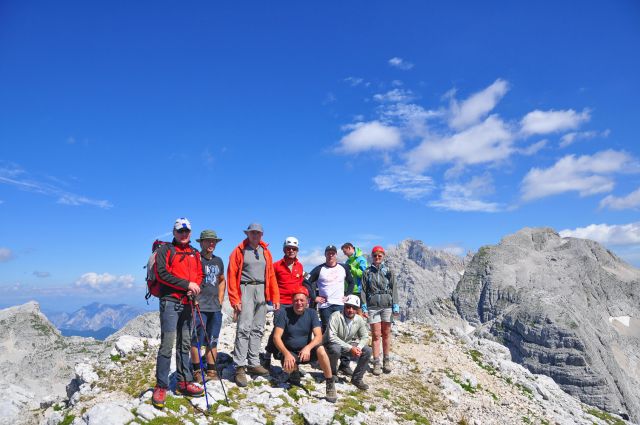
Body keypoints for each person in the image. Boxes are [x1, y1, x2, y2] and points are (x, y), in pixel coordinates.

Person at [152, 218, 205, 409]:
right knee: (167, 344)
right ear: (174, 233)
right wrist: (186, 285)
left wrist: (195, 287)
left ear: (190, 233)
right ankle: (161, 386)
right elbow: (161, 274)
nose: (184, 234)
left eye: (187, 231)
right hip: (170, 302)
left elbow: (200, 275)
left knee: (184, 344)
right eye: (180, 231)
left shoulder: (195, 253)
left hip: (188, 302)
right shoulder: (166, 250)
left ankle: (184, 382)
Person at [227, 223, 279, 387]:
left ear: (261, 235)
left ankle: (253, 361)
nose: (255, 235)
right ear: (248, 234)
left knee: (258, 327)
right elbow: (231, 274)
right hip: (246, 288)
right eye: (252, 233)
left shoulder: (265, 252)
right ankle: (240, 366)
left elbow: (271, 275)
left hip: (262, 290)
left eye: (258, 233)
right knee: (244, 327)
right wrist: (235, 299)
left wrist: (275, 296)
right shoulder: (239, 250)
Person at [266, 287, 337, 403]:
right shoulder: (284, 313)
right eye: (296, 300)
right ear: (292, 301)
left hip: (306, 351)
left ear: (307, 301)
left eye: (302, 300)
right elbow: (276, 337)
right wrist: (286, 353)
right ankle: (294, 372)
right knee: (288, 366)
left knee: (321, 349)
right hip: (289, 352)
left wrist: (308, 348)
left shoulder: (312, 313)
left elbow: (319, 336)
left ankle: (330, 383)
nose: (299, 303)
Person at [307, 245, 355, 375]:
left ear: (336, 255)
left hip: (340, 304)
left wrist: (348, 295)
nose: (331, 255)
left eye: (333, 253)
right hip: (325, 306)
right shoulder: (319, 269)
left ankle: (344, 364)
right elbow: (306, 282)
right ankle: (326, 361)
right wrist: (314, 297)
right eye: (328, 253)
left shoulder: (343, 268)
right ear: (325, 255)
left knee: (344, 332)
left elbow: (351, 282)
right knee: (327, 333)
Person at [261, 236, 307, 370]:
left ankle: (287, 355)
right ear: (284, 249)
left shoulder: (300, 266)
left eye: (294, 249)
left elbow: (300, 285)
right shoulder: (276, 266)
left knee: (291, 329)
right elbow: (270, 283)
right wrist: (271, 300)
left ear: (297, 250)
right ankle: (268, 354)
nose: (291, 251)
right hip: (280, 303)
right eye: (288, 248)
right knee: (278, 329)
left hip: (295, 303)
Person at [190, 230, 225, 383]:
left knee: (213, 340)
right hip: (200, 306)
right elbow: (189, 280)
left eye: (213, 241)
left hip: (215, 307)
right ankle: (197, 370)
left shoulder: (219, 261)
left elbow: (222, 280)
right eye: (208, 241)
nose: (211, 244)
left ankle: (211, 370)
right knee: (196, 340)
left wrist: (221, 299)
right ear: (201, 243)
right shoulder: (196, 259)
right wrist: (194, 298)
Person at [360, 245, 399, 375]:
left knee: (386, 334)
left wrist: (396, 305)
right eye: (375, 255)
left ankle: (386, 361)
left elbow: (394, 288)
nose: (377, 257)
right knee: (376, 335)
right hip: (373, 307)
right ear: (372, 257)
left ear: (383, 257)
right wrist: (364, 306)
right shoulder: (367, 272)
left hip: (387, 305)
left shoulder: (389, 271)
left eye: (379, 255)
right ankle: (376, 362)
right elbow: (364, 290)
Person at [323, 295, 372, 390]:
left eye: (354, 308)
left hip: (346, 345)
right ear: (344, 306)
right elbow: (331, 337)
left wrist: (359, 348)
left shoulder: (359, 319)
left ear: (357, 309)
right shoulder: (335, 316)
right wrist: (350, 348)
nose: (350, 310)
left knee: (367, 351)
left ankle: (357, 379)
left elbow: (365, 336)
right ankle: (332, 374)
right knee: (335, 349)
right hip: (330, 345)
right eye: (348, 307)